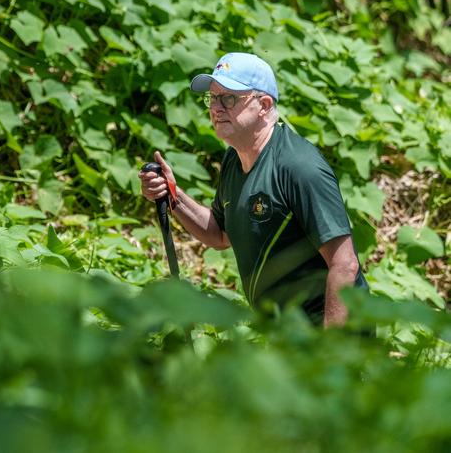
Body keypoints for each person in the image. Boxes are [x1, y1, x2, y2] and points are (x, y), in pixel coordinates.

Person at [139, 52, 368, 327]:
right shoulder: (235, 160)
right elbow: (219, 235)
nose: (216, 108)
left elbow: (345, 265)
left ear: (264, 104)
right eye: (212, 98)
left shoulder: (298, 166)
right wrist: (172, 195)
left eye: (229, 98)